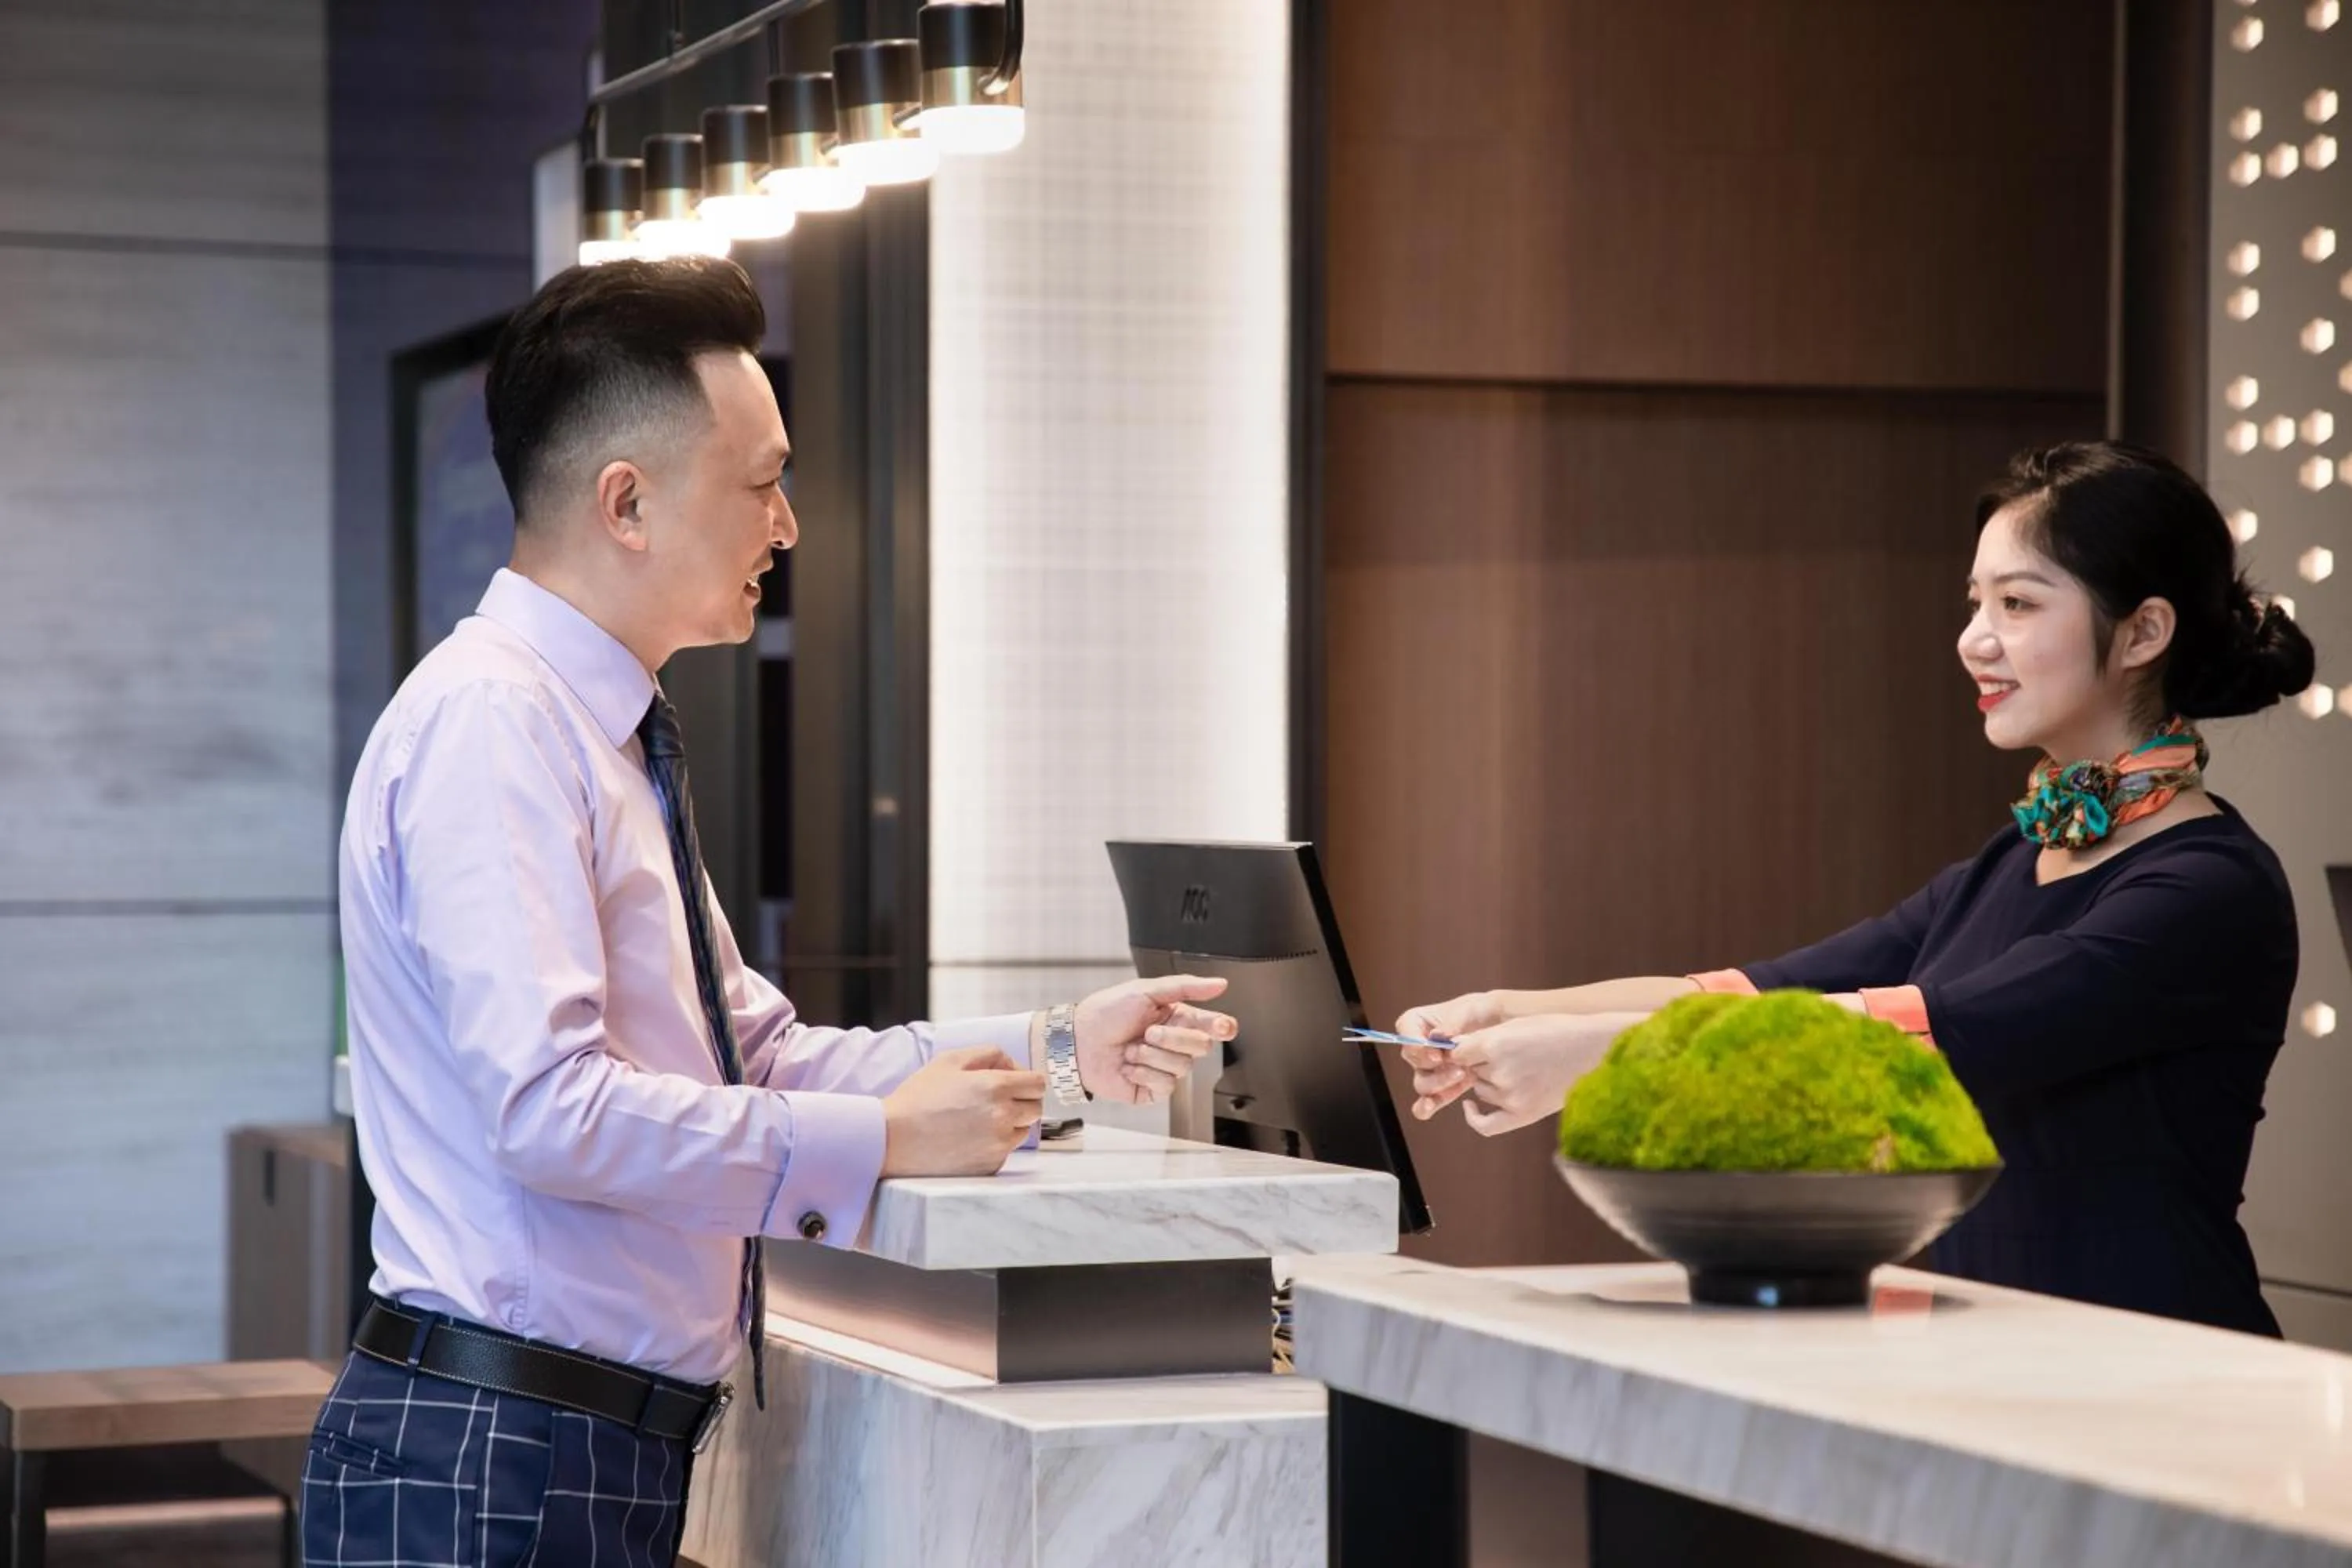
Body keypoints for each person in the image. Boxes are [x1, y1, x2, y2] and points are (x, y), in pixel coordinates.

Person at [307, 256, 1237, 1567]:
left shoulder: (596, 733)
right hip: (495, 1453)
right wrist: (882, 1142)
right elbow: (549, 1110)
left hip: (565, 1446)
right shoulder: (496, 725)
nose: (788, 525)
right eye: (760, 484)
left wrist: (1060, 1050)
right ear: (626, 502)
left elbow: (760, 1057)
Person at [1396, 441, 2316, 1336]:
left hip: (2160, 1367)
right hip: (2004, 1359)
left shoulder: (2207, 886)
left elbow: (1933, 1033)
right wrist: (1509, 1009)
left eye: (2018, 602)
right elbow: (1758, 993)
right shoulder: (2010, 859)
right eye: (1976, 601)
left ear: (2144, 631)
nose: (1974, 640)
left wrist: (1599, 1054)